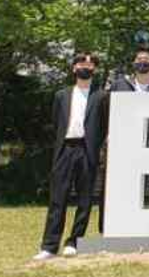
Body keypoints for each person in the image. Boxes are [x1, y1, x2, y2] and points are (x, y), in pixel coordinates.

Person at [34, 53, 107, 260]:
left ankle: (74, 242)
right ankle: (49, 246)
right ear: (74, 68)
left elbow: (104, 125)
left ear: (94, 70)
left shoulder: (102, 96)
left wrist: (95, 145)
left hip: (88, 149)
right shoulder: (61, 95)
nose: (86, 67)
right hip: (65, 149)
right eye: (82, 63)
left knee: (85, 198)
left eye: (90, 64)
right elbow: (56, 122)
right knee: (58, 198)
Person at [98, 45, 149, 233]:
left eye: (147, 60)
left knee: (145, 189)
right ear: (133, 63)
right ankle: (110, 228)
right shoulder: (119, 85)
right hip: (121, 145)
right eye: (139, 60)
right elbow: (105, 112)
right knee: (116, 188)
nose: (143, 62)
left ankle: (146, 227)